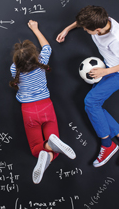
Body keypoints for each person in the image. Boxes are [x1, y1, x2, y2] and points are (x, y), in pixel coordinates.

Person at [56, 5, 119, 168]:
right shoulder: (101, 19)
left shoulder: (118, 40)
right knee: (93, 104)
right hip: (109, 67)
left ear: (98, 29)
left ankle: (107, 145)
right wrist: (67, 29)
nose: (85, 31)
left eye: (87, 30)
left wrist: (105, 72)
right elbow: (82, 22)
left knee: (91, 103)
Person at [10, 20, 76, 184]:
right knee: (55, 146)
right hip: (46, 105)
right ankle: (50, 146)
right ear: (35, 56)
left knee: (35, 149)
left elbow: (20, 67)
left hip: (28, 111)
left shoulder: (13, 69)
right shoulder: (42, 62)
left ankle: (46, 149)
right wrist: (35, 29)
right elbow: (47, 47)